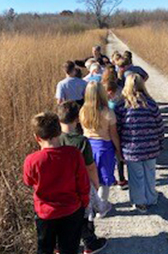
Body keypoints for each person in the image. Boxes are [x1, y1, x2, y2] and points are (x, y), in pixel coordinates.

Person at [23, 112, 90, 254]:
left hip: (45, 212)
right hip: (71, 209)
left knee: (45, 248)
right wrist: (84, 202)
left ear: (37, 137)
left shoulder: (32, 160)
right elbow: (83, 183)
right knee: (70, 248)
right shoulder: (74, 154)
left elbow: (28, 181)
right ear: (59, 131)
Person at [57, 101, 108, 254]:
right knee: (85, 213)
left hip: (60, 183)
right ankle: (89, 243)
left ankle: (60, 245)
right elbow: (90, 166)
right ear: (77, 119)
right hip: (80, 183)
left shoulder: (54, 139)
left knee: (64, 215)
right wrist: (96, 183)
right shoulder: (81, 141)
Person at [115, 74, 164, 213]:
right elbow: (159, 125)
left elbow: (118, 128)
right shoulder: (151, 103)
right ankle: (151, 198)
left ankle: (140, 202)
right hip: (151, 147)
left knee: (136, 177)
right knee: (150, 173)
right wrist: (160, 141)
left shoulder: (122, 105)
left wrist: (118, 148)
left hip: (131, 148)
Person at [79, 81, 123, 213]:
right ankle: (101, 208)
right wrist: (119, 151)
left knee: (90, 178)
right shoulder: (108, 112)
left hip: (87, 145)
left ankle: (91, 206)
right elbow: (114, 135)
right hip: (104, 146)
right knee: (104, 179)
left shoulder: (82, 111)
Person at [103, 81, 128, 190]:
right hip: (116, 131)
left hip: (106, 133)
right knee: (118, 157)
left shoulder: (105, 105)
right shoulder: (117, 103)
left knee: (111, 158)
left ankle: (110, 178)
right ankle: (121, 178)